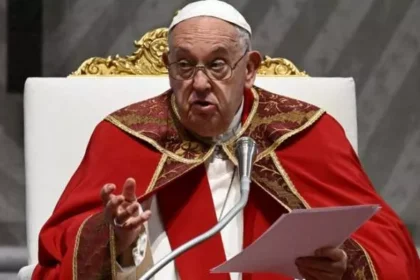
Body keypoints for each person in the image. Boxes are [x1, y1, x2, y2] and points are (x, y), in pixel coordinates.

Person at [31, 1, 420, 279]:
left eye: (217, 64)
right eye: (184, 64)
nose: (199, 83)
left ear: (249, 69)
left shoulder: (304, 131)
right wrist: (114, 238)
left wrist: (343, 266)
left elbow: (390, 252)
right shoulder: (124, 136)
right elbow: (55, 256)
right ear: (169, 69)